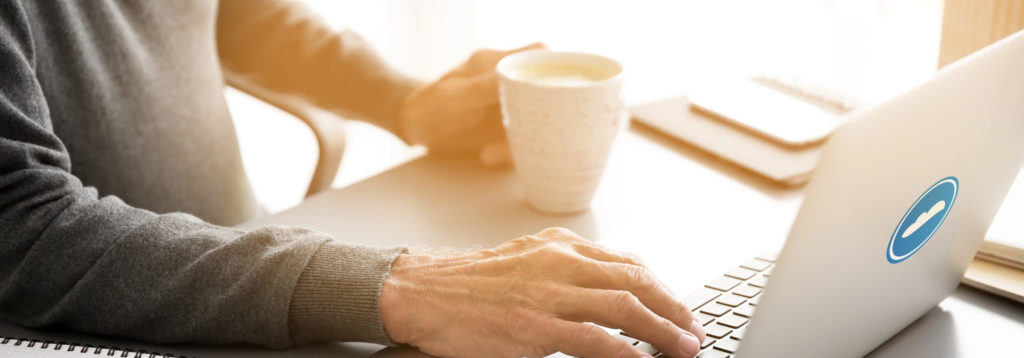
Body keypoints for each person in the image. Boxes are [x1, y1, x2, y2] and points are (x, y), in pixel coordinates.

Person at [0, 1, 706, 357]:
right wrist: (387, 285)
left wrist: (405, 100)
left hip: (252, 256)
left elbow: (239, 16)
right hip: (96, 330)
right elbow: (23, 223)